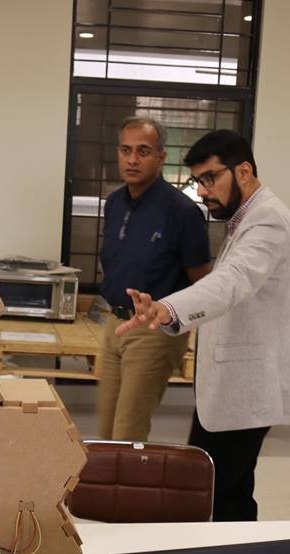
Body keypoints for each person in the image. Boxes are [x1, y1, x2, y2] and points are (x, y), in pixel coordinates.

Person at [116, 129, 290, 521]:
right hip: (237, 386)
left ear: (243, 171)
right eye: (197, 181)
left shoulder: (268, 221)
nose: (202, 192)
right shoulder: (246, 218)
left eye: (210, 178)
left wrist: (168, 308)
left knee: (214, 492)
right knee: (225, 490)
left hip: (249, 385)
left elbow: (232, 282)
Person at [97, 117, 212, 442]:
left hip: (153, 330)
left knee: (127, 432)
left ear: (161, 157)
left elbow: (203, 284)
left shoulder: (182, 212)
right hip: (115, 323)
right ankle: (108, 478)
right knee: (104, 430)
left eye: (143, 151)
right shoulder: (115, 203)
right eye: (126, 150)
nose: (132, 159)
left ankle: (128, 478)